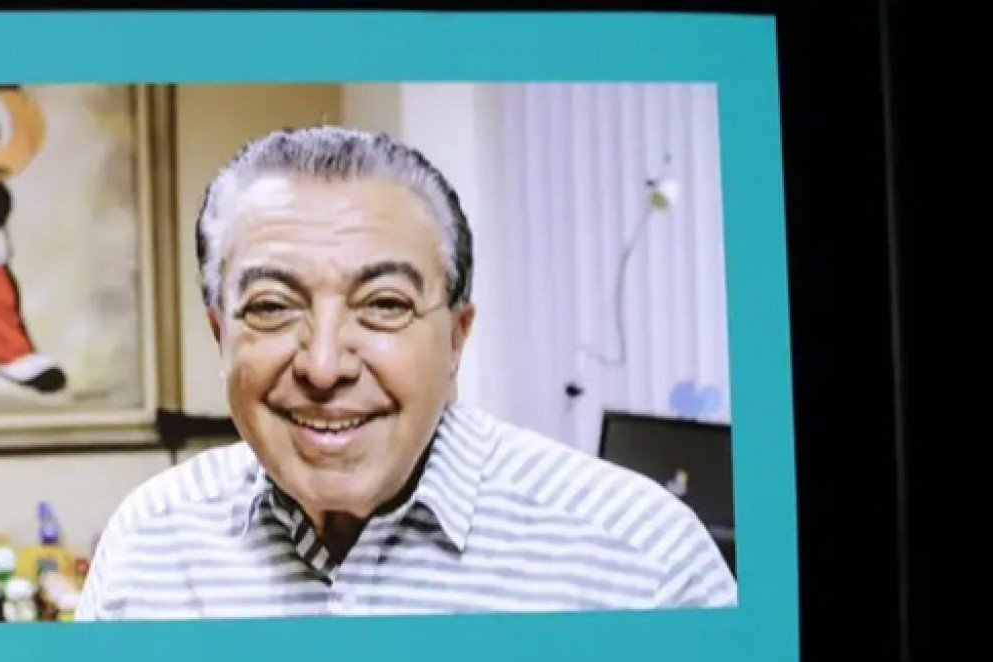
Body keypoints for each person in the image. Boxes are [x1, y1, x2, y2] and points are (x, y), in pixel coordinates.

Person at [75, 125, 737, 621]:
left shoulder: (645, 564)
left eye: (385, 304)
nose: (324, 366)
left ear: (456, 338)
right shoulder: (150, 546)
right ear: (221, 336)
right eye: (272, 306)